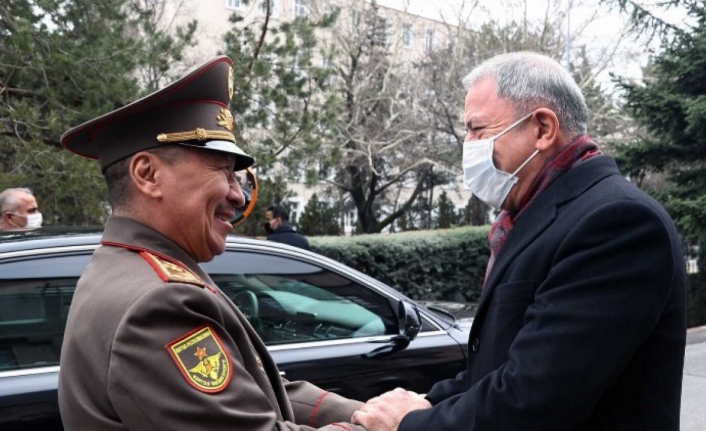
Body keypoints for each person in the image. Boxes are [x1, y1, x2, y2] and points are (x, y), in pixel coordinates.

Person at [351, 51, 687, 431]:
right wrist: (428, 401)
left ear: (543, 128)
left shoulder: (616, 223)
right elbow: (499, 367)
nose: (469, 144)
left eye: (478, 129)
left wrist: (408, 423)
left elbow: (533, 398)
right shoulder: (529, 215)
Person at [58, 56, 366, 431]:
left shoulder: (136, 268)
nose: (238, 195)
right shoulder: (159, 304)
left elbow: (255, 386)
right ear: (148, 174)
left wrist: (358, 413)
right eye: (222, 170)